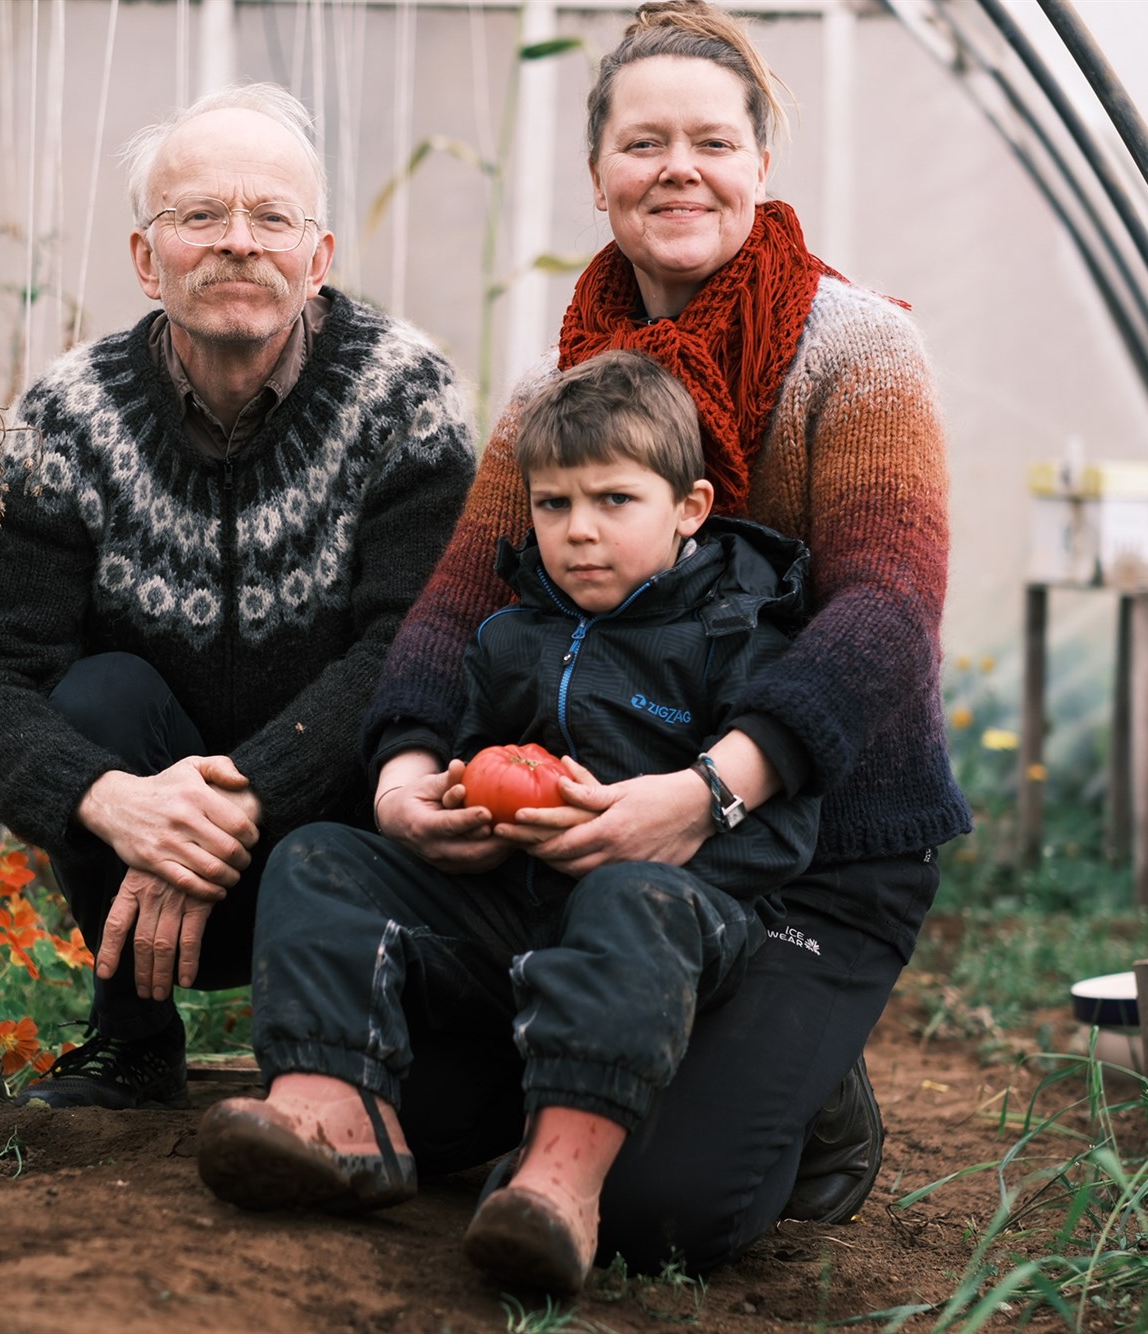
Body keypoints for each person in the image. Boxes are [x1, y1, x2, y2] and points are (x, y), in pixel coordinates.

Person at [259, 0, 969, 1281]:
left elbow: (885, 615)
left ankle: (801, 1085)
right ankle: (462, 1088)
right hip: (582, 842)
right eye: (643, 144)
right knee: (422, 1118)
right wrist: (407, 771)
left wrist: (709, 789)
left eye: (711, 140)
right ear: (597, 176)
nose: (677, 168)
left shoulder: (855, 350)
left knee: (660, 1211)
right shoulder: (560, 391)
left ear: (760, 164)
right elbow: (456, 604)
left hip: (807, 849)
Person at [193, 349, 823, 1291]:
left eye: (615, 501)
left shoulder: (737, 636)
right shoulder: (510, 633)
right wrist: (461, 801)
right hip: (512, 908)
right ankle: (332, 1109)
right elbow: (473, 752)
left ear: (689, 508)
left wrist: (661, 839)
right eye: (554, 505)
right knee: (321, 856)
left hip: (667, 928)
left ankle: (559, 1185)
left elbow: (784, 831)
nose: (578, 533)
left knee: (628, 903)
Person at [0, 83, 476, 1110]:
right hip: (134, 862)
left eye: (272, 217)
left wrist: (237, 794)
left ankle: (340, 1036)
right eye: (199, 217)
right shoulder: (66, 417)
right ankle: (131, 1040)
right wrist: (116, 802)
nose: (238, 242)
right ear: (146, 257)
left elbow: (414, 646)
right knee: (97, 694)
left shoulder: (405, 397)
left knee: (396, 715)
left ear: (317, 259)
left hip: (331, 844)